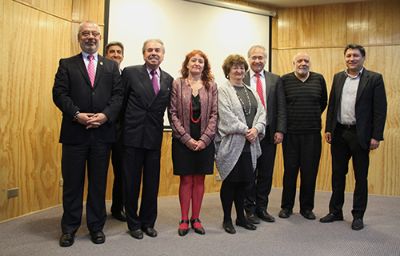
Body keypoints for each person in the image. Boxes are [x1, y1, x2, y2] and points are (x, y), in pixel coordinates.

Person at [52, 21, 123, 247]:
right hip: (75, 133)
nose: (90, 37)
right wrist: (76, 114)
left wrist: (104, 116)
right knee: (73, 184)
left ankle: (96, 227)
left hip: (102, 135)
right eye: (85, 33)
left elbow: (118, 97)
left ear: (99, 37)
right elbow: (59, 94)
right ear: (79, 38)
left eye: (94, 33)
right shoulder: (67, 64)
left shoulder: (111, 67)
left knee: (98, 184)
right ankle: (69, 228)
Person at [320, 44, 387, 230]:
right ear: (345, 58)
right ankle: (335, 211)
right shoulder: (338, 77)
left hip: (361, 135)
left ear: (363, 58)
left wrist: (376, 136)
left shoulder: (374, 79)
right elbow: (332, 105)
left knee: (360, 177)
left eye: (355, 56)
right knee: (337, 175)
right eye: (348, 55)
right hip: (340, 133)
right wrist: (328, 128)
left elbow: (380, 110)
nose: (351, 59)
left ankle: (358, 215)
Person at [122, 39, 173, 239]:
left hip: (154, 138)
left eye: (157, 50)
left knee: (152, 183)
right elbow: (121, 104)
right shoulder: (130, 72)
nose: (153, 53)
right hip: (132, 137)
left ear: (163, 54)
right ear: (144, 54)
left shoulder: (169, 79)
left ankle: (148, 222)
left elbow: (172, 110)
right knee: (131, 182)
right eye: (149, 50)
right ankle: (133, 223)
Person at [168, 50, 218, 236]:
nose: (197, 63)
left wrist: (205, 139)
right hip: (183, 141)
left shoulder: (211, 85)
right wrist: (187, 139)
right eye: (193, 60)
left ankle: (196, 218)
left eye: (201, 61)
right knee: (186, 179)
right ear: (187, 64)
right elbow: (172, 113)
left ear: (204, 66)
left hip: (205, 141)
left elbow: (214, 114)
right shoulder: (177, 83)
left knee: (199, 179)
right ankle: (183, 219)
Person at [215, 54, 266, 234]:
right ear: (228, 71)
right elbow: (226, 116)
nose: (239, 70)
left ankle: (241, 217)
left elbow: (262, 113)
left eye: (241, 68)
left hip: (249, 144)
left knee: (245, 183)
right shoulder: (223, 90)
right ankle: (227, 218)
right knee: (230, 183)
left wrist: (257, 129)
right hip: (232, 144)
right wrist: (247, 130)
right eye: (234, 67)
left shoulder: (250, 90)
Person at [279, 53, 327, 220]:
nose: (303, 63)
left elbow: (323, 103)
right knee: (290, 172)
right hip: (291, 134)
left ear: (310, 63)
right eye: (299, 61)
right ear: (294, 63)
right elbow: (281, 106)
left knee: (309, 172)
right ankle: (286, 207)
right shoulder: (284, 80)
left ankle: (307, 208)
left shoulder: (319, 79)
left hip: (312, 134)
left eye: (306, 61)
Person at [243, 45, 286, 224]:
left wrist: (280, 130)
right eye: (254, 57)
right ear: (248, 59)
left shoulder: (275, 80)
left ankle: (262, 208)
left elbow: (281, 107)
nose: (257, 61)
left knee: (266, 173)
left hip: (269, 134)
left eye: (261, 57)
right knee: (249, 173)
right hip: (247, 135)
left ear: (265, 59)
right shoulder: (240, 77)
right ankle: (249, 209)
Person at [105, 41, 126, 222]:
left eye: (119, 52)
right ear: (106, 55)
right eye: (112, 52)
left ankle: (118, 208)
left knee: (121, 173)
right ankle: (96, 209)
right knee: (99, 172)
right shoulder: (99, 74)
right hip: (101, 131)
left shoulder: (126, 76)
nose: (116, 55)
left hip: (121, 135)